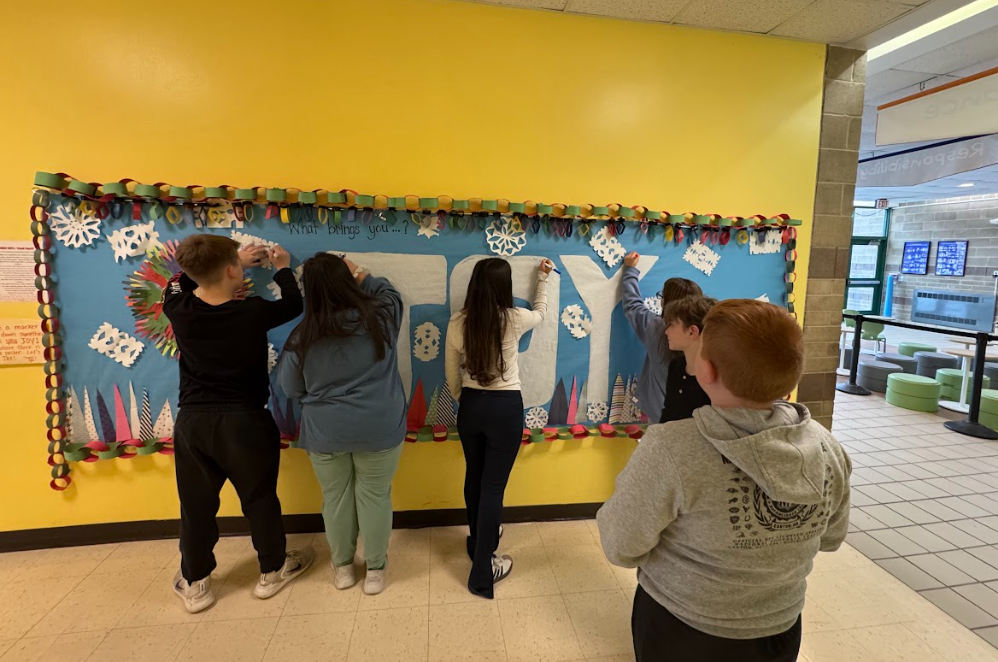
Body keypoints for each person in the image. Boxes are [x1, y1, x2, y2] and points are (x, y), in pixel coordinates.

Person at [597, 299, 851, 662]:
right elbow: (830, 538)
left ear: (707, 370)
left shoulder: (671, 448)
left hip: (681, 627)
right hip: (780, 629)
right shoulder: (828, 446)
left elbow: (620, 545)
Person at [164, 235, 314, 614]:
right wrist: (281, 268)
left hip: (194, 421)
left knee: (196, 506)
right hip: (246, 420)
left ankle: (196, 583)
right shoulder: (252, 311)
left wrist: (236, 263)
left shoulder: (179, 308)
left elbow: (178, 281)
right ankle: (272, 571)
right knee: (259, 498)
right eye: (236, 263)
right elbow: (294, 303)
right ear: (232, 270)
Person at [278, 253, 405, 596]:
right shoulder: (381, 318)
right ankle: (375, 571)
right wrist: (360, 273)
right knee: (375, 496)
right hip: (379, 426)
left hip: (326, 431)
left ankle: (344, 569)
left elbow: (290, 389)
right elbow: (391, 293)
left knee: (335, 499)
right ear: (347, 280)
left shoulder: (301, 337)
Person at [445, 257, 554, 598]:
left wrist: (465, 399)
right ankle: (483, 570)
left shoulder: (458, 322)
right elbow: (541, 313)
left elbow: (451, 376)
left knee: (474, 477)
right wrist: (543, 279)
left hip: (471, 408)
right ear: (504, 287)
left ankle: (478, 542)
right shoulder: (513, 318)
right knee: (492, 487)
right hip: (505, 408)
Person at [621, 251, 702, 420]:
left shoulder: (656, 327)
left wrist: (630, 271)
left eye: (662, 297)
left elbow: (633, 305)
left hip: (660, 413)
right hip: (695, 416)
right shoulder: (706, 333)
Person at [659, 296, 717, 423]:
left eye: (672, 325)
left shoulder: (718, 374)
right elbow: (669, 411)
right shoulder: (676, 366)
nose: (667, 331)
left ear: (692, 331)